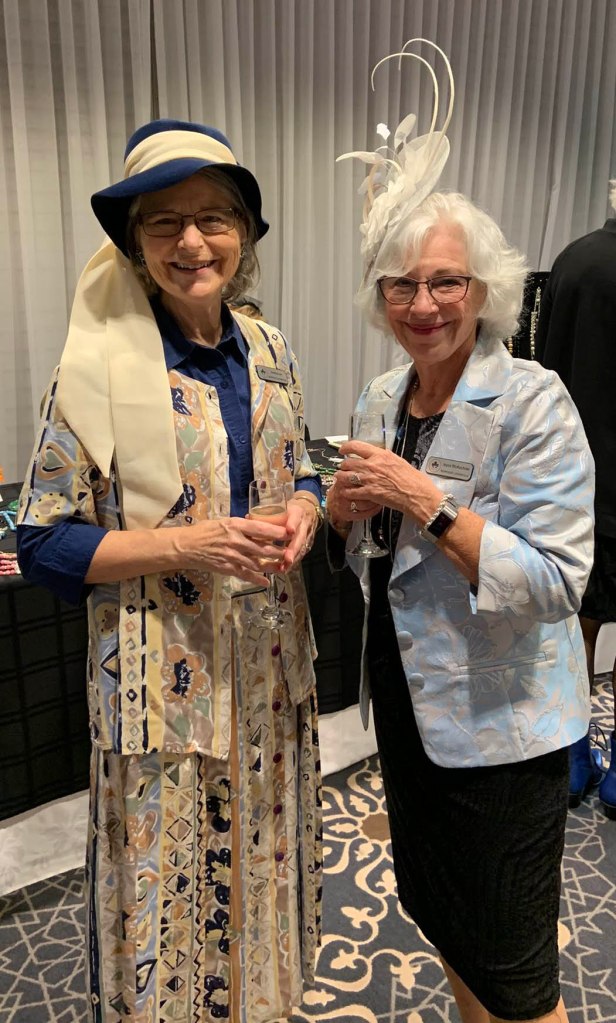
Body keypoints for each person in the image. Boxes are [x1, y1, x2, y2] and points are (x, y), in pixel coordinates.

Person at [17, 118, 323, 1023]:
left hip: (270, 679)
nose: (193, 241)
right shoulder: (94, 373)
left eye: (214, 217)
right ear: (136, 245)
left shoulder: (270, 350)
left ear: (245, 236)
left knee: (264, 879)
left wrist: (305, 505)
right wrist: (189, 543)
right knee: (166, 903)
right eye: (165, 223)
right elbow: (41, 539)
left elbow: (302, 463)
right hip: (162, 693)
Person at [327, 41, 594, 1023]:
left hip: (502, 733)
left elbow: (557, 582)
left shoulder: (534, 401)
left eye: (444, 281)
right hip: (408, 713)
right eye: (400, 284)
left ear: (482, 287)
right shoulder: (378, 394)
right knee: (447, 926)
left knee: (518, 974)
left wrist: (425, 501)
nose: (423, 303)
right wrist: (344, 515)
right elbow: (371, 560)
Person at [535, 179, 616, 817]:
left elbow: (546, 369)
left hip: (579, 477)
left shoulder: (574, 260)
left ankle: (572, 755)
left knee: (574, 625)